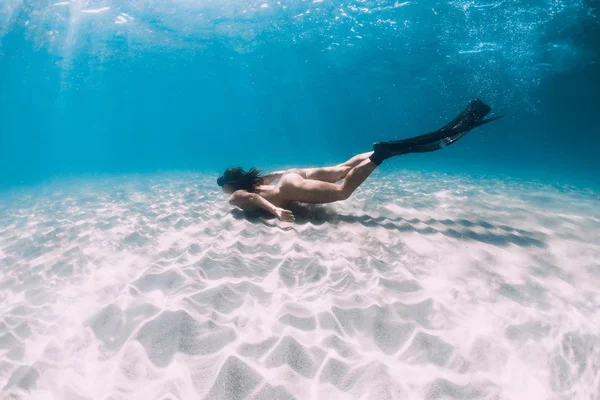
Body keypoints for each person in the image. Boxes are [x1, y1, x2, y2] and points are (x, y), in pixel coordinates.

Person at [217, 99, 502, 222]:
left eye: (224, 187)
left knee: (343, 191)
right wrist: (287, 172)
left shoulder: (237, 196)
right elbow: (275, 175)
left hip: (288, 189)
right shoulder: (255, 181)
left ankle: (381, 154)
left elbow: (252, 201)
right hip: (290, 177)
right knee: (342, 167)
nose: (225, 192)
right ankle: (375, 150)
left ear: (230, 185)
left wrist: (276, 212)